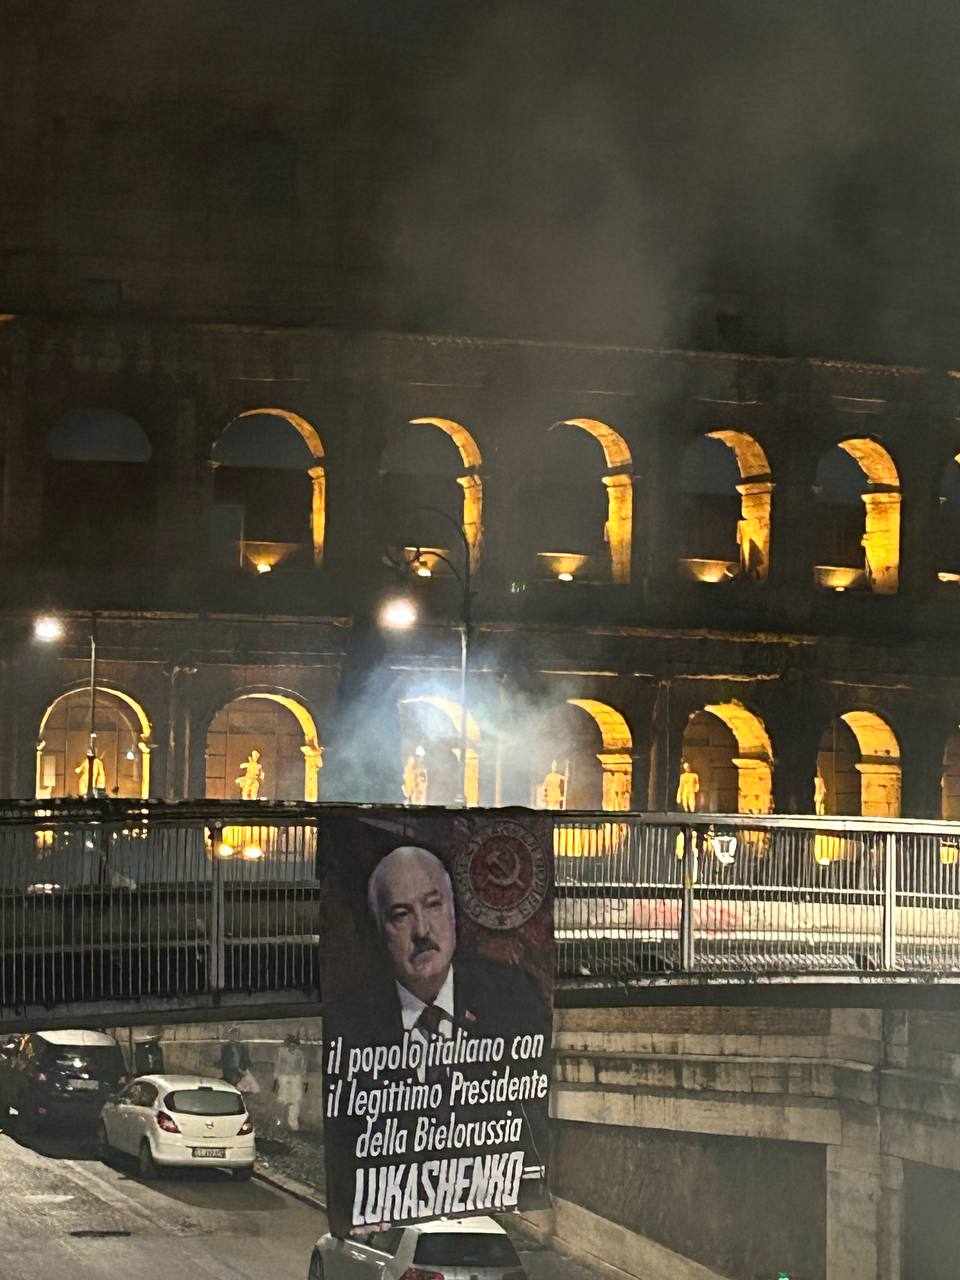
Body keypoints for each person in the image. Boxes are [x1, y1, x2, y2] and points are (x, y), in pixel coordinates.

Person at [273, 1033, 307, 1131]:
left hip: (296, 1078)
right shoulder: (281, 1052)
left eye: (295, 1045)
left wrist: (303, 1080)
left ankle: (293, 1123)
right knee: (282, 1100)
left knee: (295, 1101)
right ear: (287, 1044)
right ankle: (279, 1121)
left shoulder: (300, 1054)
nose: (293, 1046)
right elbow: (277, 1065)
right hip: (283, 1077)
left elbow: (303, 1068)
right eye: (290, 1044)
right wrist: (276, 1079)